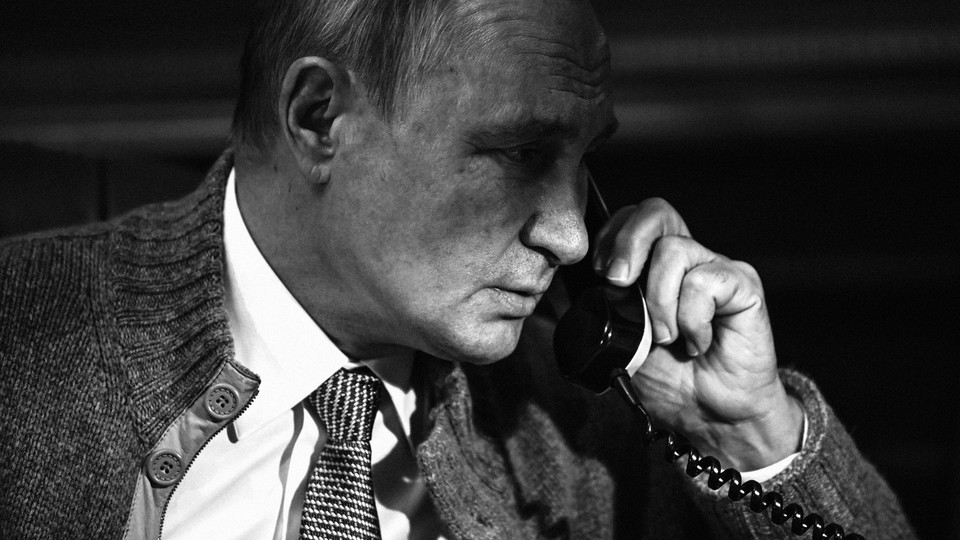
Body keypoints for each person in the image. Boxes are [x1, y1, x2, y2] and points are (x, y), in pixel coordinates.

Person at [0, 0, 914, 538]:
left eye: (582, 162)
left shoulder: (586, 413)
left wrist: (751, 435)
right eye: (517, 153)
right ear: (320, 117)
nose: (567, 235)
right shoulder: (25, 346)